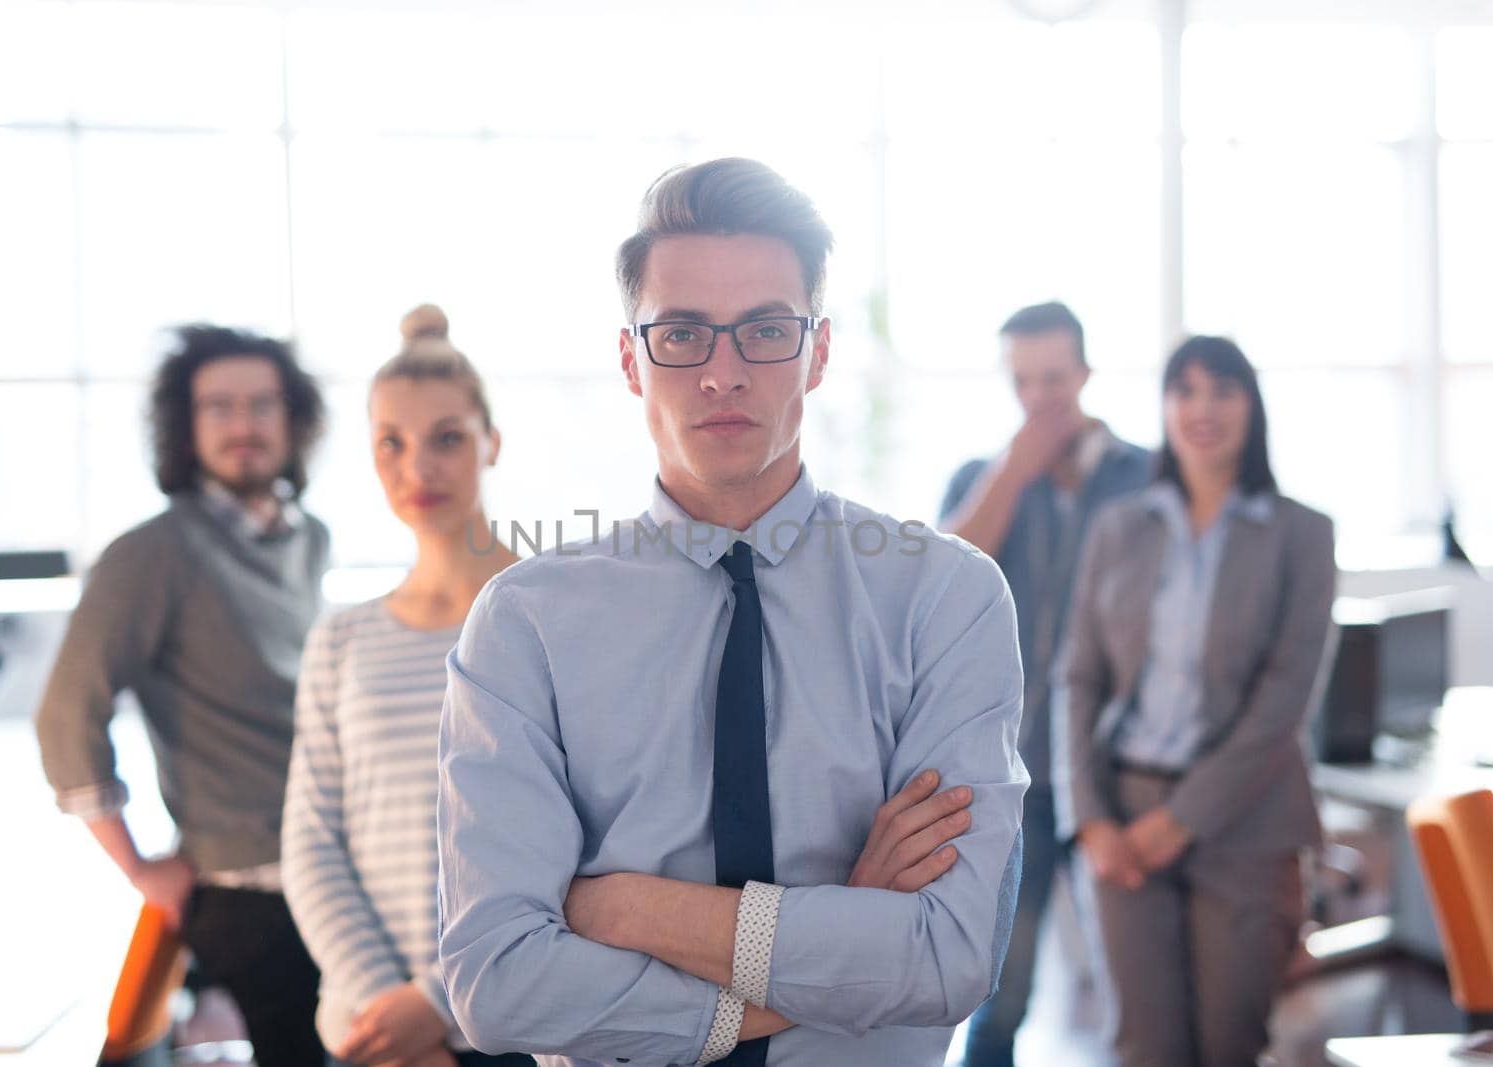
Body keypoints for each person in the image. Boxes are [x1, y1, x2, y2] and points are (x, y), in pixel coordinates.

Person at [435, 157, 1028, 1067]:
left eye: (764, 330)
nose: (723, 373)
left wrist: (624, 907)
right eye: (681, 334)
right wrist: (831, 949)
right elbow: (499, 983)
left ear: (819, 351)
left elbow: (948, 958)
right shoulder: (524, 623)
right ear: (632, 358)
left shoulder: (946, 597)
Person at [36, 324, 330, 1067]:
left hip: (331, 865)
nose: (243, 424)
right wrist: (138, 866)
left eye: (262, 404)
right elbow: (68, 715)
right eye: (219, 406)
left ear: (292, 420)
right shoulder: (153, 553)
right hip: (249, 891)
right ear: (185, 424)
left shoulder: (306, 538)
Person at [1054, 336, 1336, 1067]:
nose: (1202, 408)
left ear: (1252, 405)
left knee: (1228, 1045)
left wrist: (1179, 822)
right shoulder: (1119, 527)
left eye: (1223, 390)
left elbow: (1283, 704)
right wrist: (1089, 819)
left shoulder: (1302, 534)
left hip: (1246, 821)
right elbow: (1078, 677)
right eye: (1185, 390)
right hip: (1121, 813)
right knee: (1144, 1046)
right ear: (1165, 406)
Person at [281, 307, 532, 1067]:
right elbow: (310, 842)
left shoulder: (552, 622)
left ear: (492, 441)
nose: (417, 468)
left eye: (447, 438)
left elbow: (592, 840)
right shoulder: (342, 637)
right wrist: (389, 1013)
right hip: (374, 1038)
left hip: (521, 1028)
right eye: (391, 442)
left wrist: (437, 1001)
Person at [937, 301, 1150, 1067]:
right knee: (1005, 980)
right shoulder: (984, 476)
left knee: (1139, 983)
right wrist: (1015, 470)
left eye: (1054, 378)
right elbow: (948, 576)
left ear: (1086, 374)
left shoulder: (1143, 474)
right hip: (1014, 769)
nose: (1040, 398)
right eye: (1023, 381)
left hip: (1118, 768)